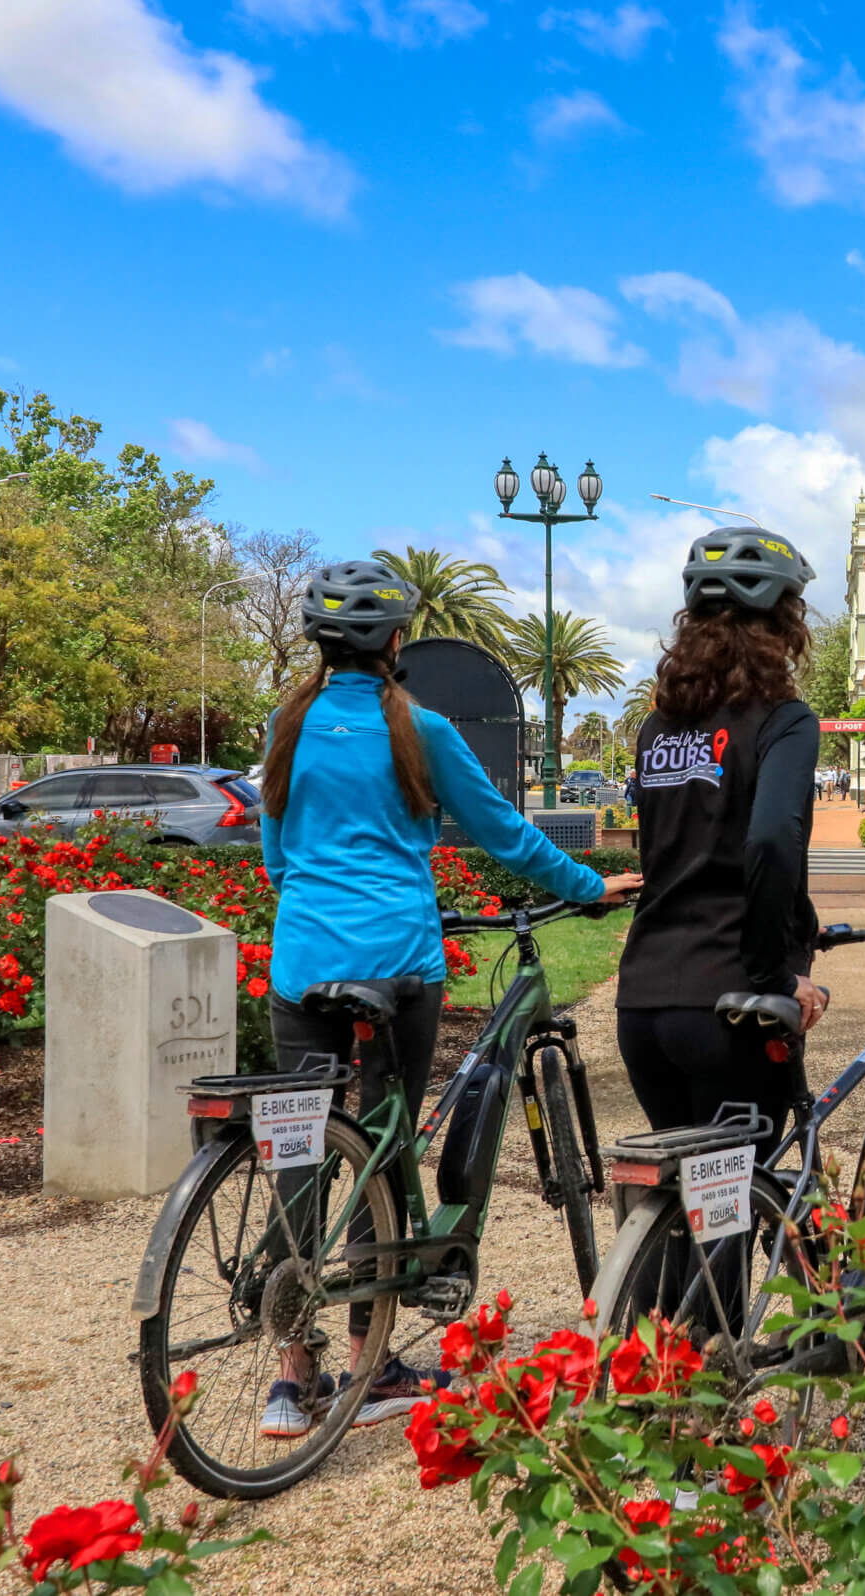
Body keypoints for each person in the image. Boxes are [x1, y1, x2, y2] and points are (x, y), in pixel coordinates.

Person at [257, 559, 638, 1439]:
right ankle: (373, 1364)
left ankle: (288, 1375)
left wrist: (318, 899)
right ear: (397, 643)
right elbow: (503, 831)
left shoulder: (288, 723)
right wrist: (587, 884)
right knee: (385, 1147)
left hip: (302, 959)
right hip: (394, 960)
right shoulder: (420, 729)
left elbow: (277, 856)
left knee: (300, 1152)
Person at [615, 527, 830, 1144]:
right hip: (730, 1007)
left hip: (645, 1000)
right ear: (784, 621)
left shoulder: (658, 725)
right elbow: (769, 842)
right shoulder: (785, 721)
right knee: (736, 1207)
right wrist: (774, 976)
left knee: (688, 1205)